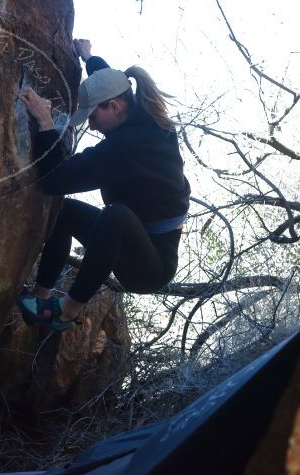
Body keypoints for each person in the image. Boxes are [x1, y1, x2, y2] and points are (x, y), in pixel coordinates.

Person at [15, 38, 191, 332]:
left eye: (94, 117)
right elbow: (111, 79)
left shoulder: (128, 147)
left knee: (115, 214)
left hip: (149, 268)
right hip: (133, 237)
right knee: (64, 212)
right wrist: (89, 58)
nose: (92, 125)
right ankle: (39, 297)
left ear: (115, 106)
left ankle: (66, 313)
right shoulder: (139, 111)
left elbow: (54, 181)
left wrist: (46, 124)